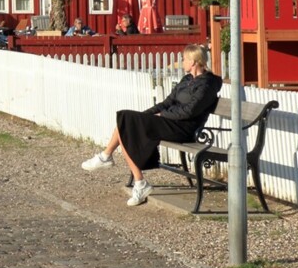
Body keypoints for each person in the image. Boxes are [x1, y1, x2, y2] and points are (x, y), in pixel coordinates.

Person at [81, 44, 222, 206]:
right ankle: (135, 178)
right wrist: (145, 115)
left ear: (193, 62)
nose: (182, 62)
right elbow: (167, 102)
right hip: (171, 122)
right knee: (126, 121)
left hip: (184, 128)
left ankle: (109, 159)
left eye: (184, 59)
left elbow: (189, 111)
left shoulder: (207, 84)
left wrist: (162, 115)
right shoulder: (187, 80)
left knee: (126, 121)